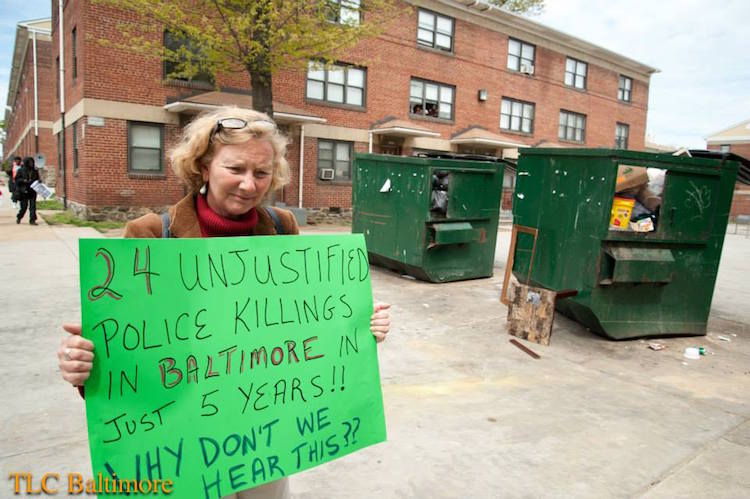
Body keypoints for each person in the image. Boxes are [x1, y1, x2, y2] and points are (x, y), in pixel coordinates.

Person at [57, 106, 391, 499]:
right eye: (235, 169)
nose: (249, 185)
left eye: (261, 172)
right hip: (184, 432)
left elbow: (305, 322)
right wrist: (84, 363)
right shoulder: (149, 236)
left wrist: (359, 326)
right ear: (203, 167)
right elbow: (125, 344)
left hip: (265, 428)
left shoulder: (282, 227)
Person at [15, 156, 40, 225]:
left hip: (32, 190)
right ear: (26, 163)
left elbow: (37, 179)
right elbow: (17, 180)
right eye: (30, 162)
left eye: (32, 162)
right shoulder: (20, 170)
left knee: (33, 206)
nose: (31, 164)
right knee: (24, 207)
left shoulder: (35, 171)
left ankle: (32, 220)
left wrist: (39, 181)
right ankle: (19, 217)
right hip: (24, 191)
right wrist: (24, 180)